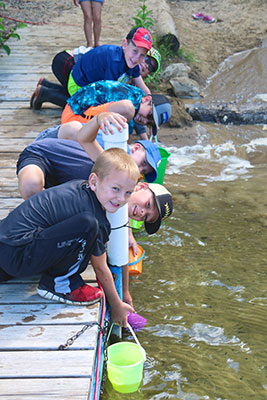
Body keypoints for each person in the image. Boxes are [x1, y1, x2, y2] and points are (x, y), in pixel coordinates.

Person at [0, 148, 140, 327]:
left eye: (128, 193)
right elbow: (101, 268)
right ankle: (60, 284)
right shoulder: (95, 217)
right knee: (87, 225)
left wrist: (125, 293)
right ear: (94, 182)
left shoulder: (79, 188)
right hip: (17, 255)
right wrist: (116, 305)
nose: (121, 198)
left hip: (7, 246)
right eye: (115, 189)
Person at [30, 27, 153, 109]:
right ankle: (45, 94)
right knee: (84, 108)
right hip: (78, 81)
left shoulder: (132, 62)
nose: (137, 58)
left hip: (85, 76)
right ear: (125, 44)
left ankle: (46, 86)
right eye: (135, 51)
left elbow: (143, 87)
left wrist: (150, 100)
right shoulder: (115, 61)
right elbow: (108, 93)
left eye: (142, 55)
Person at [59, 80, 172, 141]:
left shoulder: (136, 98)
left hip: (84, 114)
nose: (145, 121)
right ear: (147, 99)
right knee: (126, 109)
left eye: (149, 123)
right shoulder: (129, 103)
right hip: (74, 116)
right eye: (150, 115)